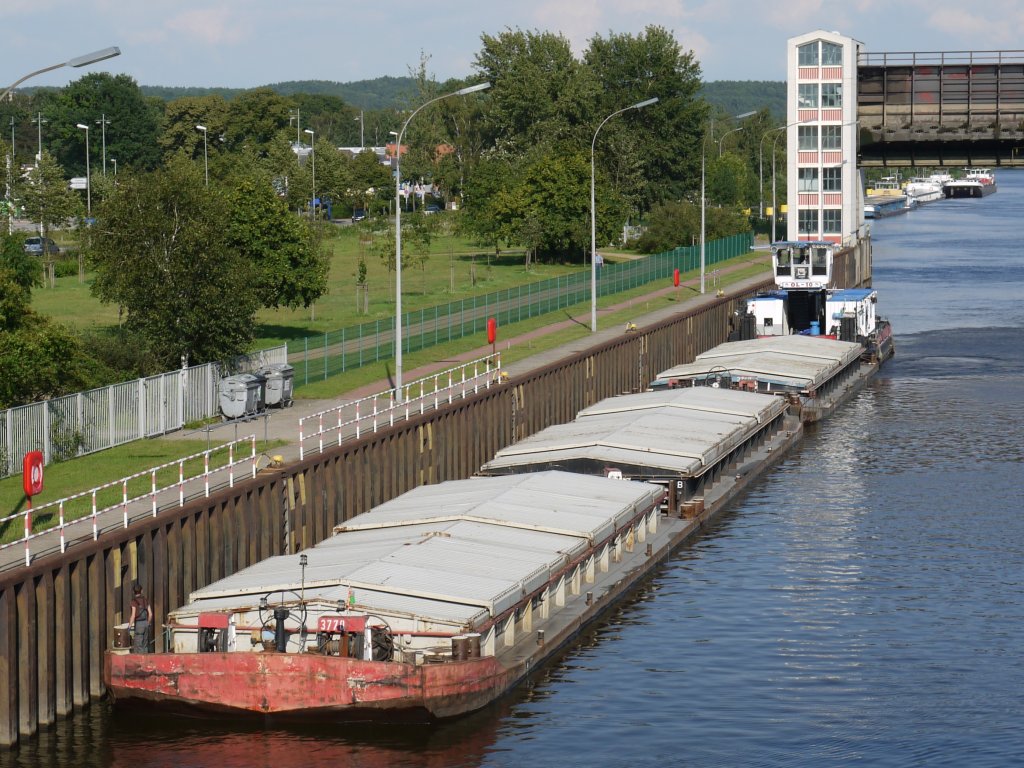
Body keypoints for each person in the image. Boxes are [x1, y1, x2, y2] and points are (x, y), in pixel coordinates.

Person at [128, 582, 151, 654]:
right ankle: (146, 661)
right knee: (145, 644)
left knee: (138, 645)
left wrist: (129, 626)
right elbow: (150, 614)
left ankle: (140, 663)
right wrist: (148, 623)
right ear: (141, 591)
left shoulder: (133, 602)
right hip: (145, 623)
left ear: (133, 592)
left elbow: (133, 615)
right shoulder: (145, 600)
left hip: (139, 624)